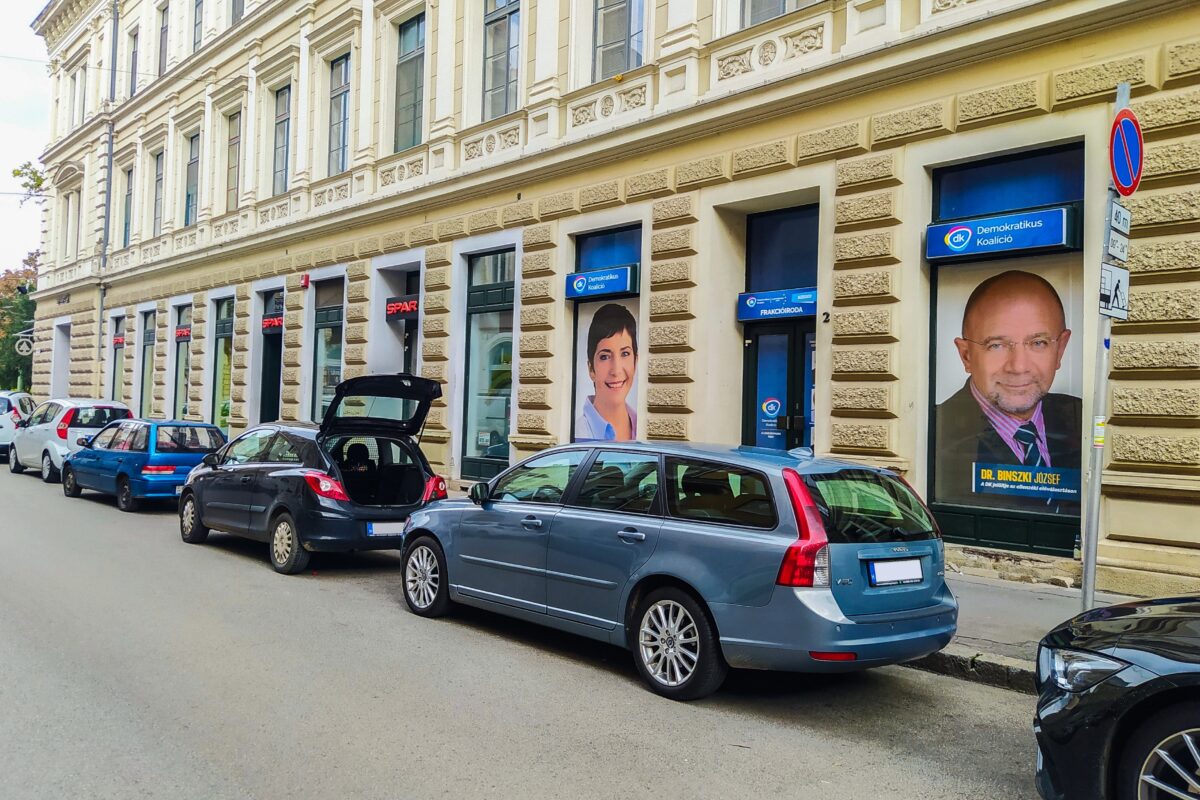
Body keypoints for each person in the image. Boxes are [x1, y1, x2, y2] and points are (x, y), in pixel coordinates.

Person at [935, 270, 1082, 513]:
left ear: (1060, 349)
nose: (1018, 367)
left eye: (1038, 343)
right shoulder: (935, 431)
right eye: (997, 345)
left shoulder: (1081, 418)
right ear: (966, 355)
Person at [576, 303, 638, 442]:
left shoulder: (642, 425)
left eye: (625, 353)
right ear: (591, 369)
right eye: (605, 356)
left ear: (635, 361)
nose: (616, 370)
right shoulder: (579, 433)